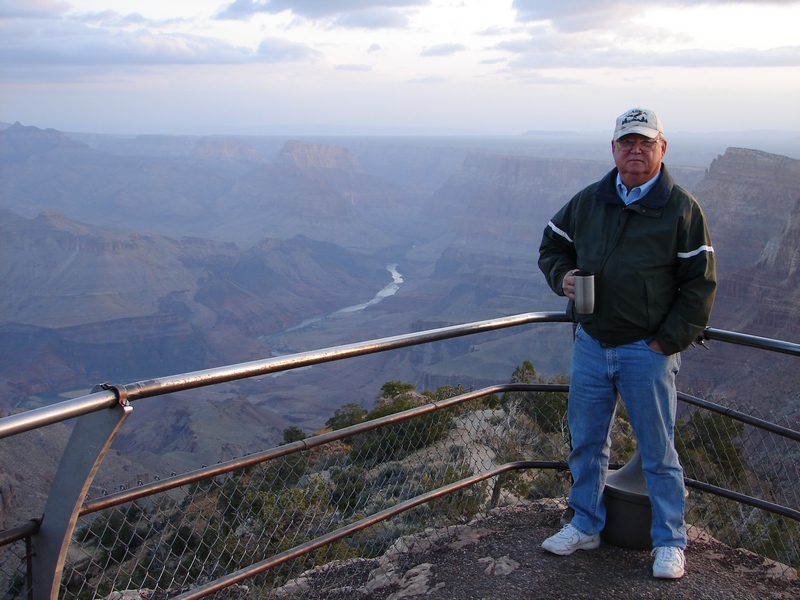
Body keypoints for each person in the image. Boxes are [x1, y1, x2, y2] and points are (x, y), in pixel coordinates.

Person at [537, 107, 716, 579]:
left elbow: (700, 284)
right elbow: (552, 245)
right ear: (614, 148)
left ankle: (670, 541)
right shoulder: (590, 200)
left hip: (646, 350)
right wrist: (562, 277)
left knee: (658, 451)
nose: (636, 150)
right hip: (592, 343)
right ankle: (585, 524)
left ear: (662, 148)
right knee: (586, 442)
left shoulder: (681, 208)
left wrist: (665, 342)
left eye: (645, 142)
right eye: (627, 142)